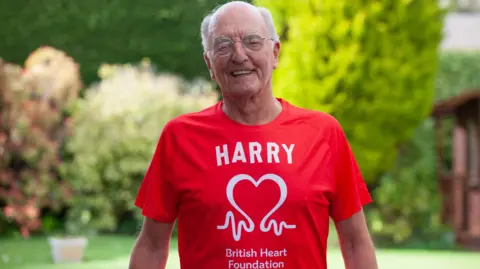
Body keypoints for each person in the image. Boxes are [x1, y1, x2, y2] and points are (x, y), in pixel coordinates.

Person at [129, 1, 378, 269]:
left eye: (252, 41)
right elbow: (152, 246)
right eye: (223, 45)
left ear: (275, 53)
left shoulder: (324, 133)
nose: (239, 55)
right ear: (209, 63)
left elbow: (355, 242)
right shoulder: (179, 137)